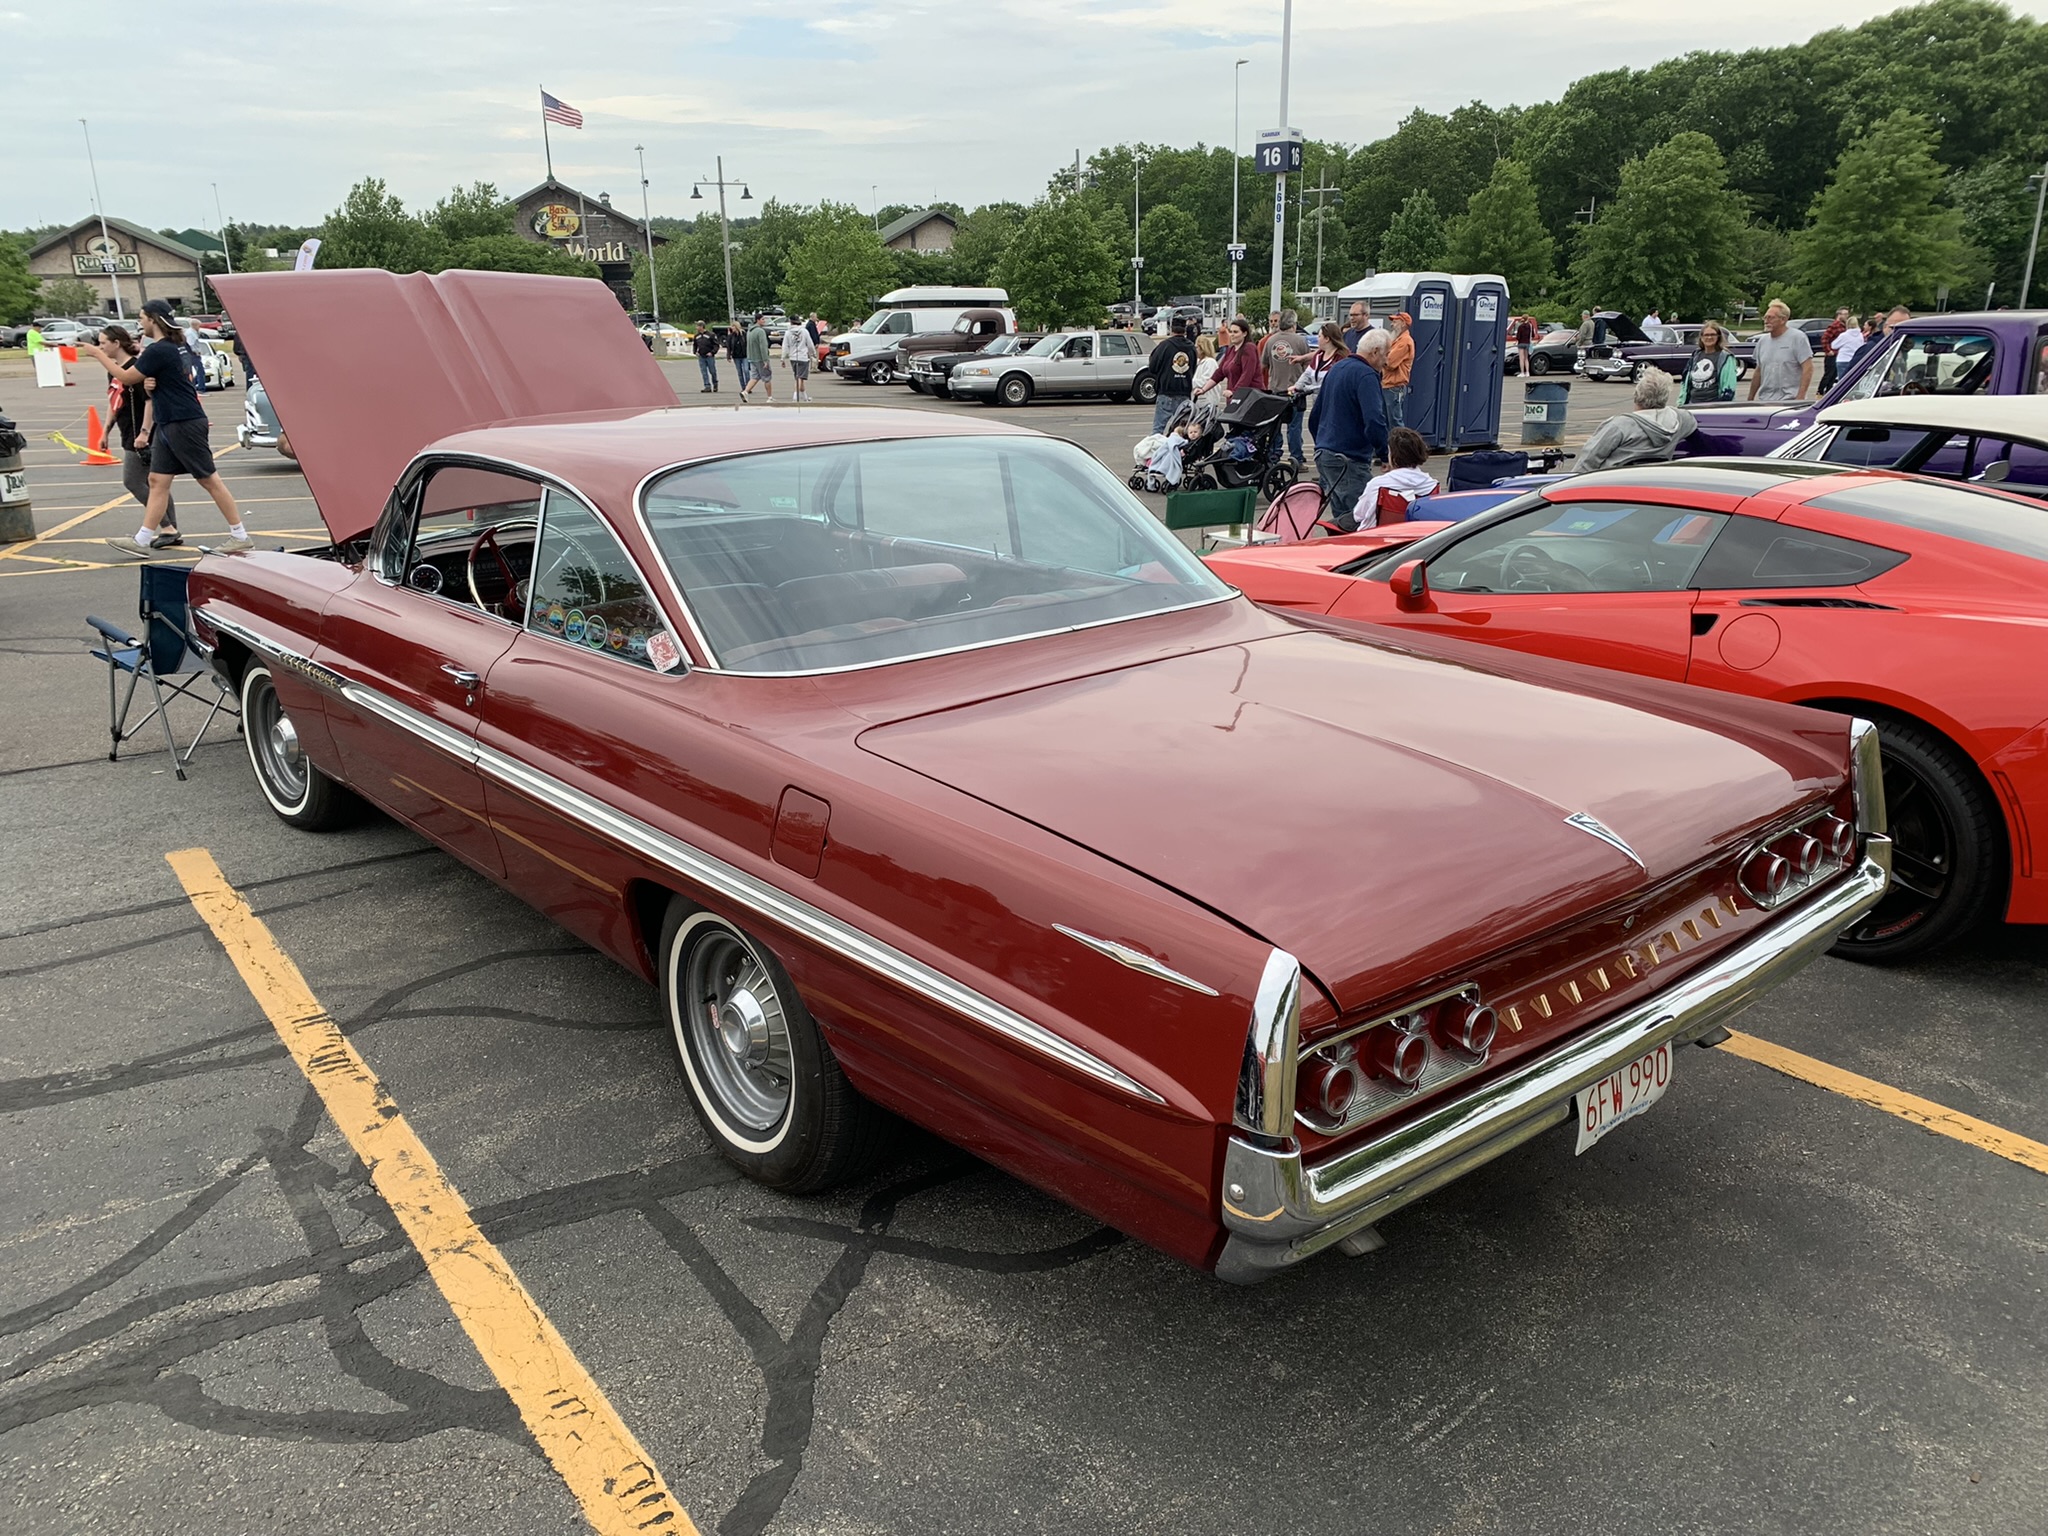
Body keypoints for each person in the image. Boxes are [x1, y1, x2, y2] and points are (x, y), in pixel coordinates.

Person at [79, 299, 249, 555]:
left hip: (184, 422)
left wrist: (98, 354)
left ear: (154, 320)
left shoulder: (160, 350)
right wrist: (155, 383)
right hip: (169, 421)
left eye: (142, 318)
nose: (140, 323)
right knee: (157, 480)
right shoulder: (175, 346)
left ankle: (240, 535)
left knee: (209, 480)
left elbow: (125, 377)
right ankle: (142, 539)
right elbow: (178, 377)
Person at [98, 323, 180, 544]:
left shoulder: (137, 368)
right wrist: (105, 431)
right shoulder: (114, 371)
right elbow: (113, 402)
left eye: (103, 342)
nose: (101, 346)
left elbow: (149, 402)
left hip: (143, 434)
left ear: (116, 343)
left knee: (133, 481)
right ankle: (170, 528)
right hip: (127, 430)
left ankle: (168, 527)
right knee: (157, 483)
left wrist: (144, 432)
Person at [1307, 329, 1387, 515]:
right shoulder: (1366, 375)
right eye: (1386, 354)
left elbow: (1315, 416)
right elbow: (1375, 419)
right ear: (1375, 352)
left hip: (1326, 455)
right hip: (1349, 459)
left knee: (1341, 519)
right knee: (1357, 520)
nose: (1387, 361)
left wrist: (1322, 443)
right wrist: (1384, 453)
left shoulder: (1337, 369)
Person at [1577, 367, 1696, 472]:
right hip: (1652, 483)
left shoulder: (1619, 426)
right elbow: (1700, 440)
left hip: (1613, 485)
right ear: (1665, 397)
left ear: (1636, 396)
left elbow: (1587, 462)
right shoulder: (1681, 419)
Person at [1348, 427, 1437, 531]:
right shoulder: (1432, 485)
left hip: (1377, 539)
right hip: (1416, 539)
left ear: (1393, 456)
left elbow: (1358, 515)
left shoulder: (1378, 484)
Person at [1261, 309, 1315, 464]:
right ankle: (1296, 457)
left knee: (1275, 427)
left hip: (1276, 390)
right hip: (1296, 391)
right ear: (1294, 323)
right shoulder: (1300, 341)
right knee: (1294, 427)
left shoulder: (1270, 341)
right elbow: (1308, 365)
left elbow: (1263, 364)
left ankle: (1274, 456)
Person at [1748, 299, 1814, 403]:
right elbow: (1758, 371)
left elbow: (1808, 369)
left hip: (1790, 400)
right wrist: (1750, 398)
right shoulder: (1762, 341)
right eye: (1765, 317)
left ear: (1783, 319)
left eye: (1771, 317)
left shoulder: (1798, 338)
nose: (1766, 320)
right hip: (1765, 400)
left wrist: (1800, 397)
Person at [1146, 317, 1198, 435]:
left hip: (1166, 392)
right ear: (1184, 330)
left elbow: (1152, 367)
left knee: (1158, 430)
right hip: (1184, 392)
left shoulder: (1164, 346)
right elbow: (1193, 368)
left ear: (1171, 329)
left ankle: (1156, 451)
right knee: (1182, 431)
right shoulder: (1192, 348)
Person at [1199, 317, 1265, 401]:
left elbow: (1247, 374)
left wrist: (1235, 392)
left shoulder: (1249, 348)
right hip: (1234, 399)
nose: (1232, 334)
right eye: (1230, 331)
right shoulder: (1230, 350)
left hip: (1249, 399)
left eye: (1236, 332)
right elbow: (1219, 373)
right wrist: (1203, 389)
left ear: (1244, 333)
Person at [1680, 320, 1739, 405]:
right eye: (1706, 335)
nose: (1709, 337)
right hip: (1693, 404)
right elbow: (1685, 381)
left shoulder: (1726, 358)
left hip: (1714, 407)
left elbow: (1729, 387)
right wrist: (1681, 402)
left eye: (1713, 334)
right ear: (1701, 337)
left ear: (1718, 336)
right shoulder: (1696, 355)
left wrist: (1722, 406)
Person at [1382, 312, 1414, 430]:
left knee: (1395, 422)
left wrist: (1379, 357)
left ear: (1403, 324)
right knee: (1387, 421)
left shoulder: (1404, 341)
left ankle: (1402, 447)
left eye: (1395, 321)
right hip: (1388, 385)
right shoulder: (1397, 340)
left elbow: (1390, 362)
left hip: (1394, 387)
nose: (1392, 324)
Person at [781, 313, 817, 402]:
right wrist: (813, 354)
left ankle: (805, 397)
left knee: (799, 377)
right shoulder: (804, 331)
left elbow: (785, 346)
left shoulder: (788, 333)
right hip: (803, 357)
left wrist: (783, 358)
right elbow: (810, 344)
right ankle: (795, 396)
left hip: (793, 357)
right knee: (800, 377)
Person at [740, 314, 774, 402]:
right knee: (767, 377)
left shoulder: (750, 331)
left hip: (752, 358)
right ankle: (769, 397)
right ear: (757, 320)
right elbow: (763, 346)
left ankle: (745, 391)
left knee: (754, 377)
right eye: (762, 319)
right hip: (760, 358)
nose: (764, 321)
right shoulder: (760, 331)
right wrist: (765, 359)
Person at [1819, 307, 1851, 391]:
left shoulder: (1845, 326)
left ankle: (1829, 393)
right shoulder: (1834, 326)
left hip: (1840, 355)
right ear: (1839, 315)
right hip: (1833, 355)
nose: (1846, 316)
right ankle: (1820, 392)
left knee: (1833, 377)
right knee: (1828, 375)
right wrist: (1828, 350)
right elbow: (1824, 338)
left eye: (1847, 314)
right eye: (1845, 314)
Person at [1829, 314, 1865, 381]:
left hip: (1843, 359)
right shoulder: (1860, 335)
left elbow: (1834, 346)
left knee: (1842, 380)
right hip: (1855, 359)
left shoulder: (1844, 335)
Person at [691, 322, 721, 392]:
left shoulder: (711, 335)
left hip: (709, 356)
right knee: (704, 372)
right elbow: (695, 345)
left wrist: (712, 352)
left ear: (701, 326)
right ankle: (707, 386)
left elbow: (716, 345)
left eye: (697, 326)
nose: (696, 327)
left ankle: (715, 383)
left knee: (712, 371)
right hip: (701, 356)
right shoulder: (696, 336)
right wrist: (695, 352)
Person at [725, 320, 748, 389]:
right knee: (739, 372)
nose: (732, 328)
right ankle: (743, 387)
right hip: (736, 356)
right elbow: (728, 347)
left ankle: (748, 386)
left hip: (744, 355)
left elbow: (747, 344)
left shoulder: (743, 334)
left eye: (733, 326)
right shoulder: (730, 336)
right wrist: (728, 356)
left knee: (746, 370)